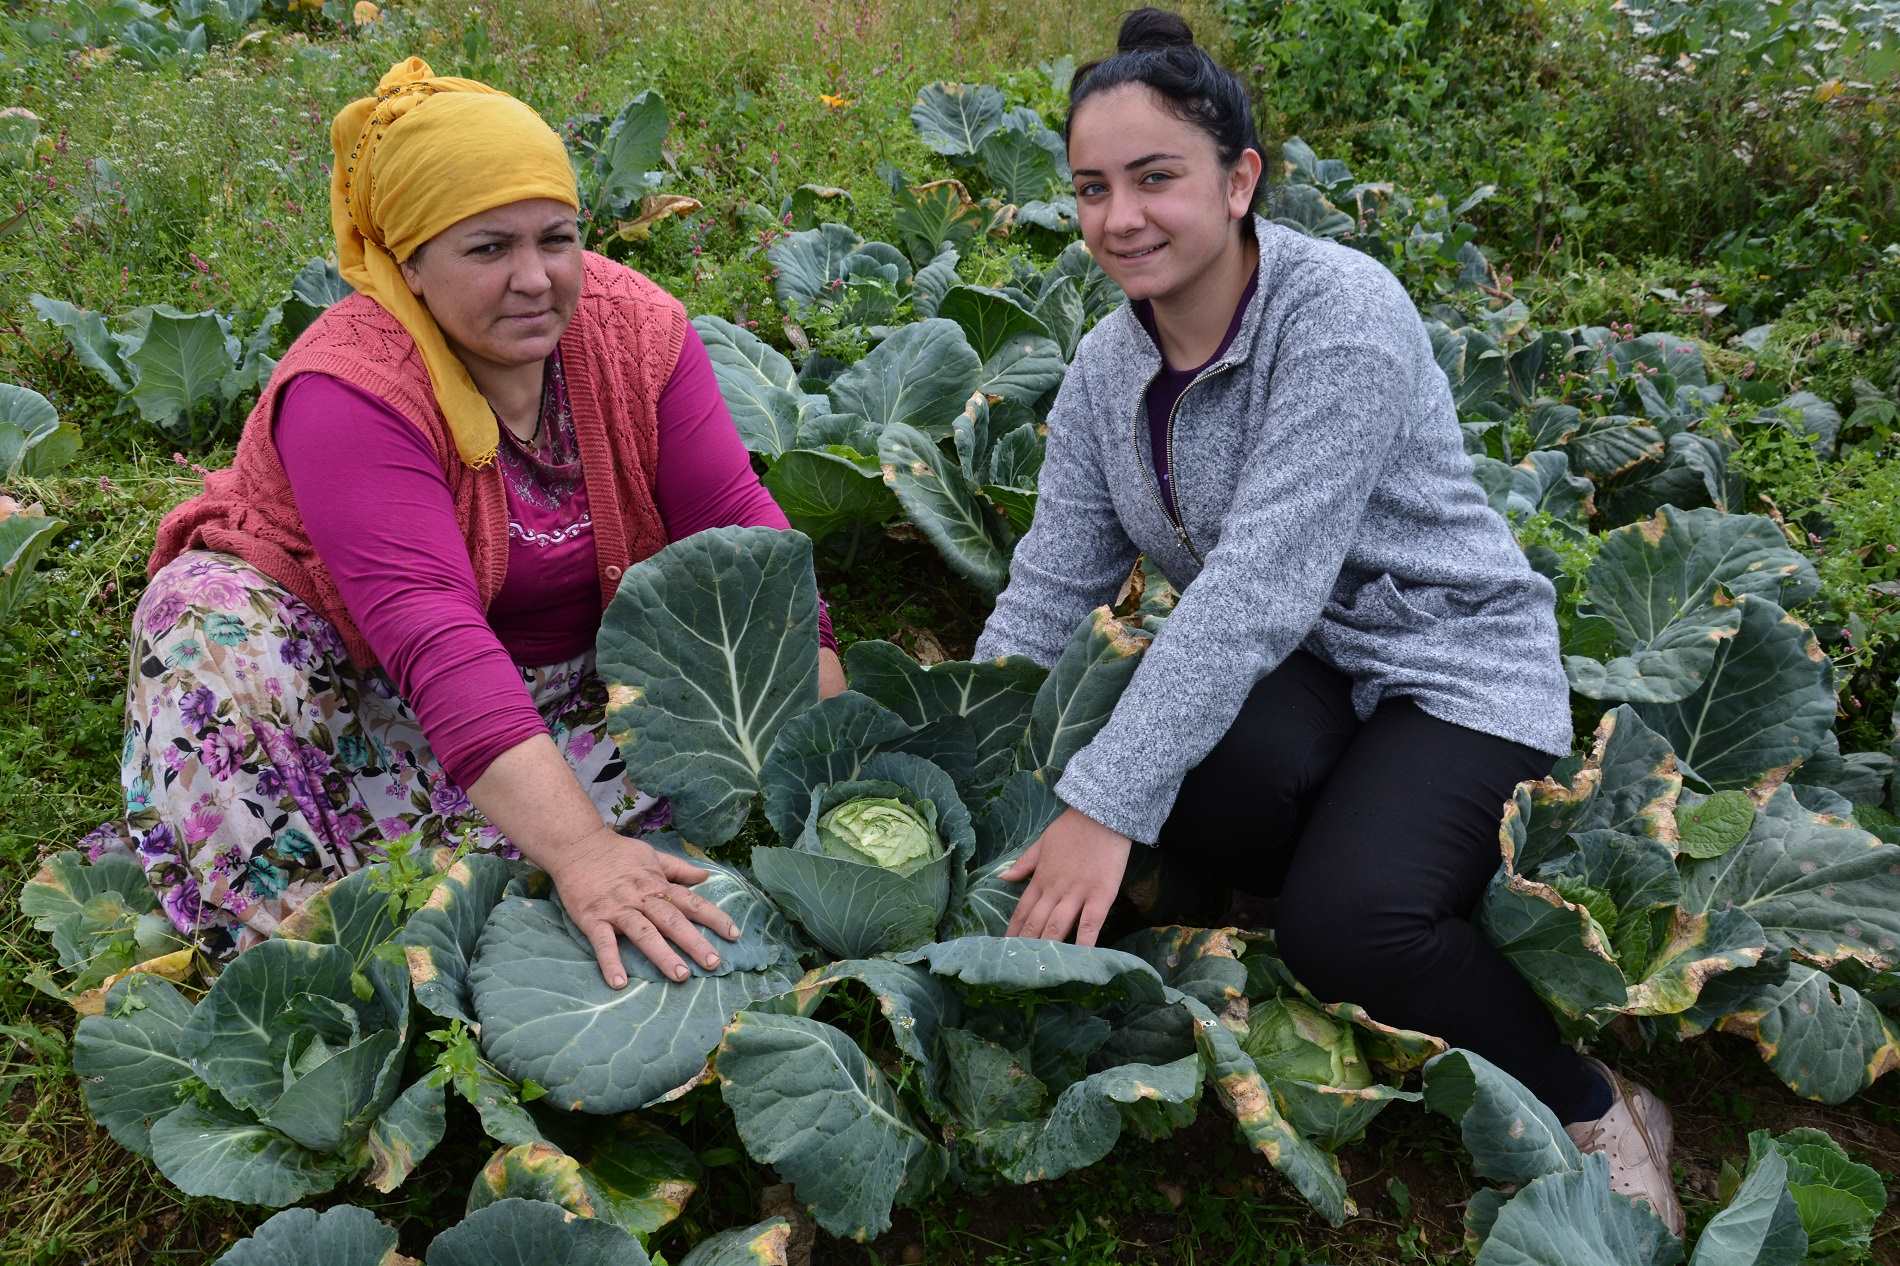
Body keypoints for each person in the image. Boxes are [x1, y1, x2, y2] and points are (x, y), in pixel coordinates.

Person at [975, 9, 1683, 1234]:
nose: (1119, 218)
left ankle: (1594, 1104)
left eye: (1156, 179)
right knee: (1146, 765)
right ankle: (1329, 853)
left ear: (1239, 179)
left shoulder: (1337, 312)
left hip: (1447, 665)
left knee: (1347, 926)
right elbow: (1054, 582)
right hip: (1301, 674)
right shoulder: (1103, 366)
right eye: (1091, 188)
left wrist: (1100, 810)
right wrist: (966, 747)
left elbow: (1255, 585)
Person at [83, 57, 845, 991]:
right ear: (408, 263)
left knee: (709, 791)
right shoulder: (350, 387)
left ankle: (505, 849)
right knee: (205, 625)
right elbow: (431, 632)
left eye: (556, 238)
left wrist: (830, 768)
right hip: (352, 686)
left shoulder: (638, 331)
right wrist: (585, 855)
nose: (534, 279)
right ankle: (321, 951)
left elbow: (749, 542)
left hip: (566, 695)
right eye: (488, 249)